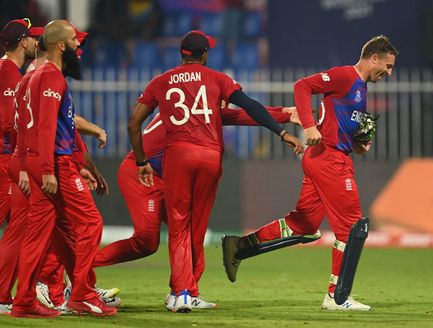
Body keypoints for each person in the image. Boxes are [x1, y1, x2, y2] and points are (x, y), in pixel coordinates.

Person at [128, 29, 304, 313]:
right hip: (211, 157)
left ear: (181, 55)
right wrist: (282, 133)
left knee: (178, 224)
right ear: (205, 55)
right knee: (196, 225)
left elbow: (134, 123)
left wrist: (140, 160)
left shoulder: (160, 82)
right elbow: (250, 107)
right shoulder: (218, 80)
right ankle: (187, 290)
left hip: (179, 156)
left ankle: (182, 292)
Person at [222, 35, 398, 311]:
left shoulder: (361, 89)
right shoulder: (344, 76)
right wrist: (308, 125)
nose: (388, 73)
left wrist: (358, 144)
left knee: (303, 224)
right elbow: (302, 86)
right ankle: (337, 297)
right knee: (352, 227)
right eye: (387, 66)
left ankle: (239, 247)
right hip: (329, 160)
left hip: (324, 157)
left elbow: (338, 126)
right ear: (373, 58)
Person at [93, 105, 299, 311]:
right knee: (147, 242)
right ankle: (81, 265)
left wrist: (284, 111)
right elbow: (244, 114)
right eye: (224, 101)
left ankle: (185, 292)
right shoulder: (193, 112)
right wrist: (287, 115)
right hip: (142, 175)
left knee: (191, 230)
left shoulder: (192, 107)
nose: (226, 106)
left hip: (163, 179)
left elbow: (244, 110)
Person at [10, 20, 116, 318]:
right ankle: (81, 294)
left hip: (36, 159)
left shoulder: (29, 78)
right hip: (54, 163)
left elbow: (24, 126)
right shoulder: (51, 77)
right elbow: (44, 126)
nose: (78, 45)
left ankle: (24, 301)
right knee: (91, 223)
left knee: (38, 233)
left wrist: (25, 164)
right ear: (60, 45)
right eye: (73, 40)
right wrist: (45, 169)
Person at [0, 18, 39, 228]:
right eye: (32, 37)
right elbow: (8, 122)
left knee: (19, 227)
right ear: (23, 42)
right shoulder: (8, 72)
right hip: (4, 156)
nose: (36, 42)